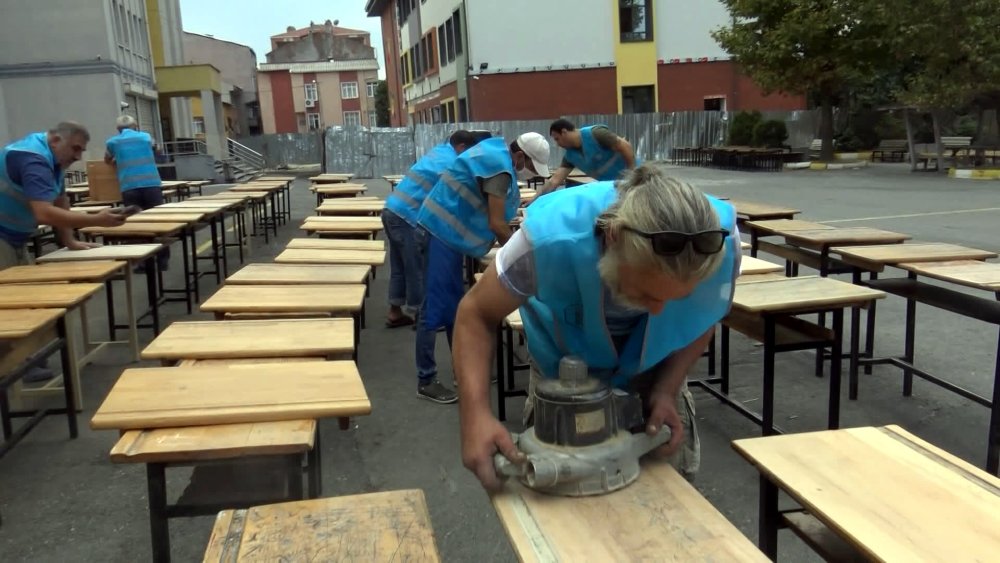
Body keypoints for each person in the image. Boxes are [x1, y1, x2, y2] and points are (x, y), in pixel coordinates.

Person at [452, 163, 741, 490]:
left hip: (656, 368)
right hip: (561, 378)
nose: (660, 310)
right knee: (562, 499)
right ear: (614, 238)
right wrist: (474, 415)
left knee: (667, 498)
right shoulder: (547, 240)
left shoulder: (718, 245)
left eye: (675, 299)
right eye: (646, 294)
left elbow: (700, 318)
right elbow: (475, 313)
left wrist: (666, 389)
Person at [412, 132, 550, 404]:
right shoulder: (499, 169)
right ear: (519, 155)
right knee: (435, 308)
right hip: (440, 233)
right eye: (529, 166)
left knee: (455, 306)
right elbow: (497, 224)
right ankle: (426, 379)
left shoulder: (494, 152)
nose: (527, 172)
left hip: (447, 235)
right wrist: (522, 258)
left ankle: (462, 372)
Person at [0, 121, 126, 380]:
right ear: (56, 140)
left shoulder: (51, 159)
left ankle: (21, 358)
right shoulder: (32, 159)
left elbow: (60, 199)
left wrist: (69, 241)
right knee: (8, 303)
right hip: (2, 234)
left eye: (82, 150)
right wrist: (96, 221)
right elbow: (44, 212)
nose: (78, 156)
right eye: (75, 149)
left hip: (14, 235)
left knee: (23, 297)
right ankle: (11, 366)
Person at [381, 130, 482, 328]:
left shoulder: (438, 151)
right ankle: (424, 317)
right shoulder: (451, 163)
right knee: (416, 267)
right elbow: (456, 196)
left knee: (399, 264)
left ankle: (395, 311)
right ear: (461, 147)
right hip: (406, 216)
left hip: (391, 209)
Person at [105, 115, 168, 271]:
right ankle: (162, 260)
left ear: (118, 129)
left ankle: (142, 262)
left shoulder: (112, 142)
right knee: (158, 223)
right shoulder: (146, 137)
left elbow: (107, 160)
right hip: (151, 184)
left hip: (129, 187)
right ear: (136, 126)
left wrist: (117, 159)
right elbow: (158, 150)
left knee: (136, 225)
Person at [538, 119, 639, 196]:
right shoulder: (570, 156)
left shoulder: (596, 134)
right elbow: (554, 181)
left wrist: (633, 176)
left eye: (557, 139)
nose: (557, 144)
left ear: (564, 132)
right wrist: (535, 198)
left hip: (638, 180)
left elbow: (625, 146)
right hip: (615, 188)